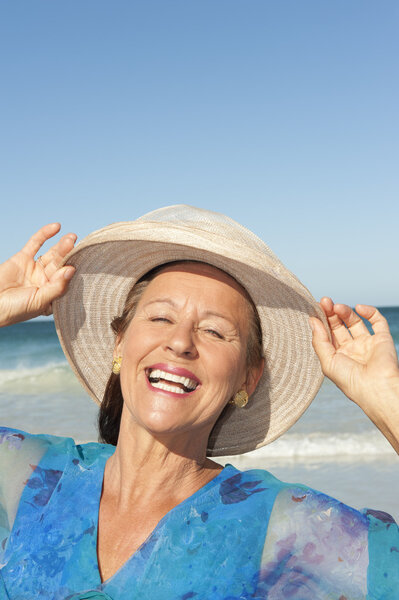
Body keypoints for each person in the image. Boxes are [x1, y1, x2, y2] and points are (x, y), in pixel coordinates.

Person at [0, 205, 398, 599]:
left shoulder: (278, 528)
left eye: (214, 331)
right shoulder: (32, 478)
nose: (180, 342)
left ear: (248, 377)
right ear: (120, 343)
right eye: (159, 318)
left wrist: (386, 397)